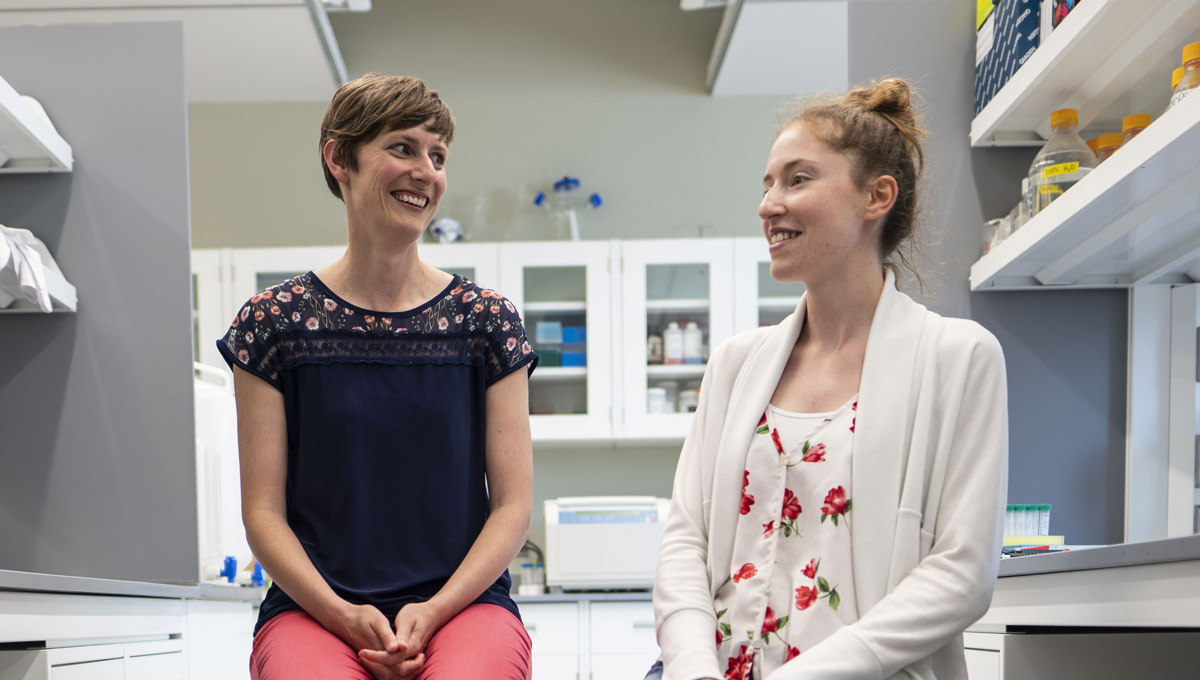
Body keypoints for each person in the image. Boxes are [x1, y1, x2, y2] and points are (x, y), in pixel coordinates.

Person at [650, 78, 1008, 680]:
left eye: (798, 179)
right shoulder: (737, 364)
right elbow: (685, 540)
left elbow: (961, 574)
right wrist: (691, 669)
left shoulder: (958, 358)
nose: (769, 204)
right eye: (767, 184)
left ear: (877, 197)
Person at [217, 73, 537, 680]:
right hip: (314, 608)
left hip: (463, 604)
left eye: (438, 156)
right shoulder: (273, 325)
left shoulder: (487, 322)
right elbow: (262, 513)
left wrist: (437, 608)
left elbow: (514, 506)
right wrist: (340, 614)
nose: (426, 171)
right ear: (340, 159)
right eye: (403, 148)